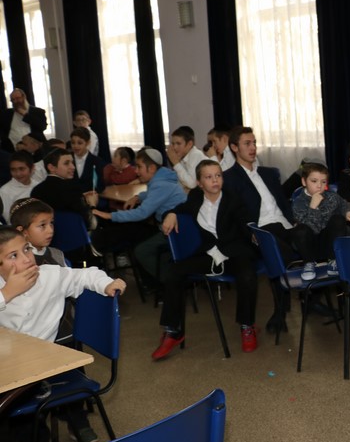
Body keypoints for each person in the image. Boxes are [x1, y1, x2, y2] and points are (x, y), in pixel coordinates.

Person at [0, 227, 125, 442]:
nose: (26, 259)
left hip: (44, 367)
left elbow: (86, 275)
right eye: (13, 256)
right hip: (10, 367)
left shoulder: (49, 275)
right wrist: (7, 294)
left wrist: (107, 284)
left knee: (15, 402)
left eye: (26, 249)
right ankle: (30, 441)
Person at [153, 160, 261, 359]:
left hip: (234, 252)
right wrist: (171, 214)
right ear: (199, 183)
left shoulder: (233, 198)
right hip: (209, 253)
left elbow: (245, 221)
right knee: (174, 271)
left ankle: (247, 326)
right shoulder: (195, 196)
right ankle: (173, 330)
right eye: (209, 177)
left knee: (247, 275)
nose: (215, 180)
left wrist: (254, 234)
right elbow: (182, 208)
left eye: (218, 175)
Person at [222, 126, 302, 332]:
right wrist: (251, 233)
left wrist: (293, 220)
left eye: (254, 143)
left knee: (310, 235)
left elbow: (283, 202)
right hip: (261, 230)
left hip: (284, 225)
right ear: (234, 148)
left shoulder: (268, 173)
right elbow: (234, 213)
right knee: (280, 250)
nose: (253, 148)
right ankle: (282, 310)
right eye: (247, 144)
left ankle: (311, 293)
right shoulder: (229, 178)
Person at [91, 147, 187, 293]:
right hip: (170, 229)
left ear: (152, 168)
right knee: (135, 232)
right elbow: (149, 194)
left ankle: (171, 283)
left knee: (141, 250)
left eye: (139, 167)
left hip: (175, 233)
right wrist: (137, 197)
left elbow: (142, 213)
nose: (136, 171)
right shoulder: (162, 178)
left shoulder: (161, 184)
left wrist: (111, 216)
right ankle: (153, 283)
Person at [291, 161, 350, 280]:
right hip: (310, 245)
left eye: (323, 182)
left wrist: (347, 211)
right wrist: (313, 207)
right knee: (300, 230)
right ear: (304, 182)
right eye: (314, 181)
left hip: (328, 244)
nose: (319, 185)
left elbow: (343, 204)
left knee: (338, 219)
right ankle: (308, 264)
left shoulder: (331, 196)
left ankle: (333, 261)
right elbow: (312, 229)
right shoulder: (299, 202)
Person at [31, 148, 98, 230]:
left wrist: (81, 197)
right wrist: (92, 205)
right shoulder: (72, 189)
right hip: (72, 235)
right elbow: (91, 224)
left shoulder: (36, 191)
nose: (73, 167)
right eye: (66, 163)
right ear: (51, 167)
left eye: (72, 163)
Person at [0, 88, 46, 153]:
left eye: (18, 98)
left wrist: (25, 115)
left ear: (24, 97)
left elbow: (42, 127)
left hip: (34, 150)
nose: (16, 101)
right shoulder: (6, 113)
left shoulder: (38, 112)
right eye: (13, 99)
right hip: (11, 150)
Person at [166, 125, 209, 191]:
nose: (174, 147)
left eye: (178, 144)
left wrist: (175, 163)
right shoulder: (183, 156)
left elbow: (191, 184)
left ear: (189, 144)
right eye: (173, 144)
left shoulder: (196, 154)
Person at [0, 151, 37, 223]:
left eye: (21, 169)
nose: (18, 174)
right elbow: (9, 219)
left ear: (32, 168)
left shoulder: (38, 185)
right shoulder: (5, 191)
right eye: (13, 170)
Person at [70, 127, 105, 194]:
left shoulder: (97, 161)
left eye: (80, 143)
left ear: (88, 143)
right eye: (73, 143)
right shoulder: (67, 159)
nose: (75, 146)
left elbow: (100, 185)